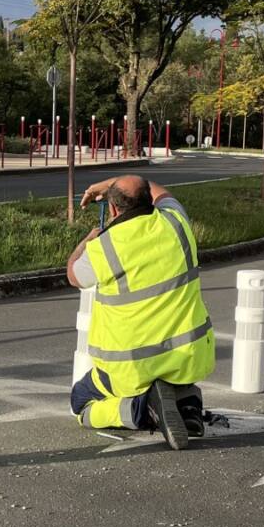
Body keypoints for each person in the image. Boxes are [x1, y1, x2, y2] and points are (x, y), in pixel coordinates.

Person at [66, 174, 215, 450]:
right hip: (188, 358)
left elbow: (73, 275)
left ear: (112, 209)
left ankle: (142, 411)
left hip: (130, 368)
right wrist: (109, 184)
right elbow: (163, 192)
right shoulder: (175, 223)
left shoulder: (104, 248)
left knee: (81, 403)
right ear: (149, 200)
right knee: (177, 378)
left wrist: (86, 242)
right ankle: (188, 408)